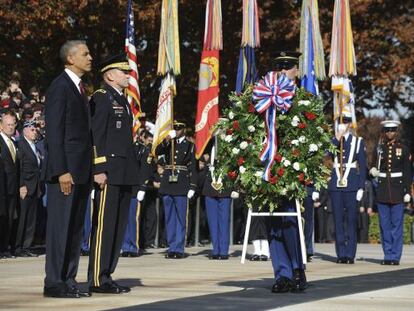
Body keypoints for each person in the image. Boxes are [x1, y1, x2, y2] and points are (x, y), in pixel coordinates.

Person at [43, 40, 93, 298]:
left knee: (74, 230)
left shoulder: (80, 88)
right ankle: (54, 282)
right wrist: (61, 170)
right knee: (60, 229)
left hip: (81, 170)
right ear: (70, 58)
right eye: (85, 53)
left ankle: (69, 280)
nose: (90, 57)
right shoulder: (60, 87)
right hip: (66, 172)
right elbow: (54, 132)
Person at [87, 53, 139, 294]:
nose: (128, 76)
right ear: (109, 75)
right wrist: (98, 168)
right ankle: (97, 277)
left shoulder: (123, 100)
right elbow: (96, 134)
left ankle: (107, 274)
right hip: (108, 171)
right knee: (105, 226)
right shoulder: (101, 97)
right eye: (123, 72)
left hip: (124, 171)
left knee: (117, 227)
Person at [264, 51, 307, 293]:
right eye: (279, 66)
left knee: (291, 221)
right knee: (272, 221)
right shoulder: (263, 96)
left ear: (296, 71)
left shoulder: (302, 98)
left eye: (287, 67)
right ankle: (282, 274)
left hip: (292, 170)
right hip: (269, 167)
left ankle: (297, 268)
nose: (282, 71)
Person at [370, 120, 412, 265]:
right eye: (387, 131)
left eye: (392, 130)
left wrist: (407, 191)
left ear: (396, 132)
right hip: (382, 191)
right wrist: (372, 171)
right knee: (384, 226)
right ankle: (387, 255)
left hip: (398, 191)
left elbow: (407, 171)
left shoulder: (403, 149)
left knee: (397, 226)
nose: (389, 133)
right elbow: (373, 166)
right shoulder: (379, 148)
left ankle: (395, 256)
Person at [328, 109, 367, 264]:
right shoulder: (333, 141)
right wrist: (337, 139)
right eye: (340, 122)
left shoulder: (358, 142)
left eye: (345, 122)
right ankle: (341, 254)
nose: (342, 125)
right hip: (336, 185)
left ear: (350, 124)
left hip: (351, 184)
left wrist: (361, 187)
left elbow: (363, 166)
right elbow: (325, 153)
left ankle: (350, 254)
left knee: (351, 220)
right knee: (338, 220)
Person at [155, 121, 198, 259]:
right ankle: (171, 247)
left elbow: (193, 167)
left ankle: (179, 248)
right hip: (168, 183)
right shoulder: (168, 143)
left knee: (181, 218)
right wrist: (167, 139)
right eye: (175, 128)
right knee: (169, 218)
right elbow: (157, 152)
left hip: (181, 184)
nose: (177, 130)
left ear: (184, 130)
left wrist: (192, 186)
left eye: (179, 128)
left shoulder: (190, 145)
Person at [15, 120, 43, 257]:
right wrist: (21, 185)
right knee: (23, 218)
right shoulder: (21, 144)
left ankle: (27, 246)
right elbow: (19, 168)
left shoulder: (35, 146)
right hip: (26, 186)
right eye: (32, 129)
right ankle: (18, 246)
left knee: (31, 219)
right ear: (25, 130)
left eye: (35, 130)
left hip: (35, 187)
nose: (35, 132)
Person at [0, 110, 19, 259]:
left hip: (12, 189)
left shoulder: (13, 142)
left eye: (13, 125)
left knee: (10, 219)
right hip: (2, 188)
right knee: (2, 218)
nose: (11, 127)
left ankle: (5, 247)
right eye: (8, 125)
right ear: (1, 125)